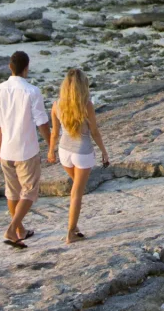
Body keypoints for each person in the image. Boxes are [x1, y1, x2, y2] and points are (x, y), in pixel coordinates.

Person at [0, 50, 51, 249]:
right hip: (26, 150)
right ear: (27, 68)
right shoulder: (32, 91)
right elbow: (41, 121)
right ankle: (12, 228)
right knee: (30, 191)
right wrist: (51, 144)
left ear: (10, 67)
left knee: (13, 192)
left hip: (6, 149)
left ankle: (20, 231)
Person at [47, 68, 109, 244]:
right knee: (76, 193)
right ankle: (71, 232)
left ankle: (75, 227)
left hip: (64, 151)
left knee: (77, 190)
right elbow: (95, 132)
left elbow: (54, 132)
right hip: (82, 152)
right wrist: (104, 151)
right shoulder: (87, 104)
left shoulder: (56, 104)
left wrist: (51, 151)